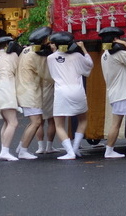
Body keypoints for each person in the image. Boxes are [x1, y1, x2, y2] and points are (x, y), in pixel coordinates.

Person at [47, 31, 94, 160]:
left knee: (59, 124)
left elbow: (53, 72)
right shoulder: (77, 56)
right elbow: (89, 65)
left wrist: (54, 51)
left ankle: (70, 152)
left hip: (62, 92)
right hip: (77, 90)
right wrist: (83, 48)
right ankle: (75, 148)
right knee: (83, 120)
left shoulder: (50, 58)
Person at [98, 27, 126, 158]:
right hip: (120, 93)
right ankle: (109, 150)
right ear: (116, 39)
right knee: (116, 123)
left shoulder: (105, 54)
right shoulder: (116, 53)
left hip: (119, 93)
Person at [15, 27, 52, 160]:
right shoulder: (35, 55)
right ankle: (23, 150)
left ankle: (21, 146)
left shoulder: (26, 50)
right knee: (36, 122)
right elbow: (46, 74)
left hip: (23, 89)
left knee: (34, 122)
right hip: (30, 91)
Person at [0, 36, 22, 161]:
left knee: (7, 122)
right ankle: (4, 151)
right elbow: (18, 68)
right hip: (6, 90)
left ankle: (4, 149)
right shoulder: (12, 56)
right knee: (13, 122)